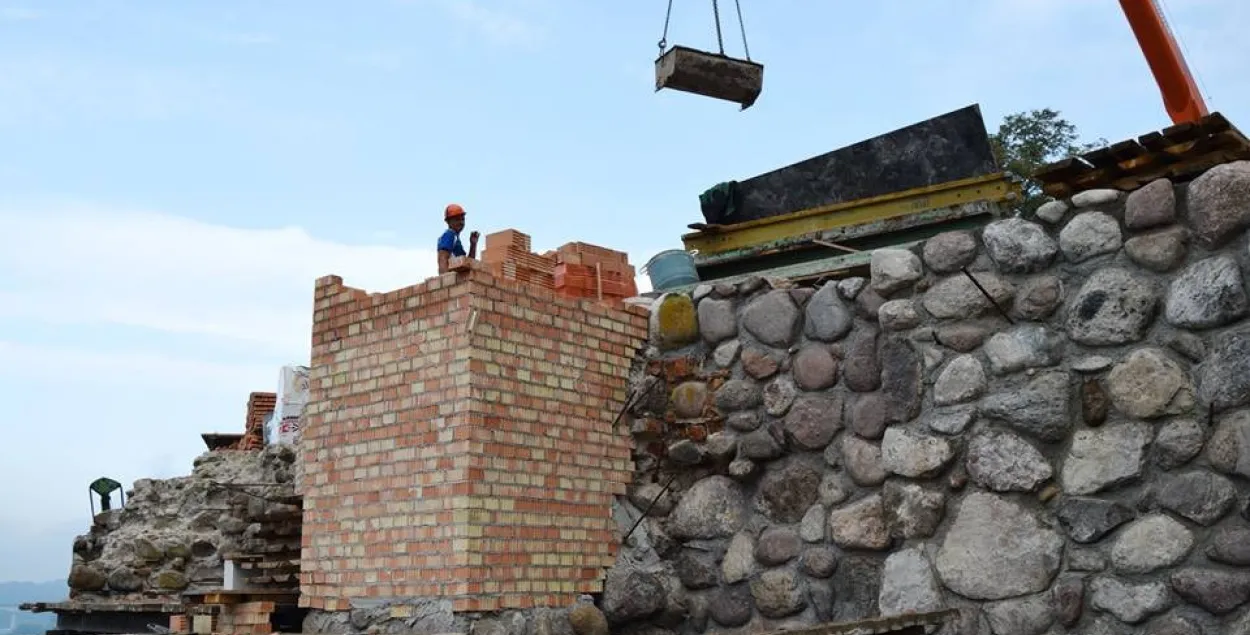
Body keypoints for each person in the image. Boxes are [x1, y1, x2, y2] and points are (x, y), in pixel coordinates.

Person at [437, 203, 479, 273]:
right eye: (457, 219)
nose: (461, 222)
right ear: (448, 222)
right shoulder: (449, 235)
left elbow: (467, 264)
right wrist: (446, 281)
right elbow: (442, 258)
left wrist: (473, 244)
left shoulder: (456, 239)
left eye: (463, 219)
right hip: (451, 280)